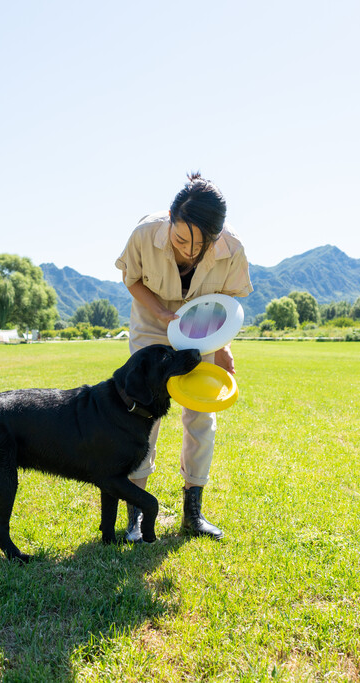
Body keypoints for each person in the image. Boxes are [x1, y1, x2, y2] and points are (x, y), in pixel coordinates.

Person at [115, 172, 253, 541]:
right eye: (179, 239)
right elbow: (132, 278)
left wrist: (222, 346)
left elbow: (227, 301)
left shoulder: (233, 249)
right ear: (171, 220)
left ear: (217, 236)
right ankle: (138, 515)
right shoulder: (145, 233)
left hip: (200, 333)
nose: (188, 252)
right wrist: (161, 313)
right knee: (144, 414)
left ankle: (193, 512)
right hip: (152, 324)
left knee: (200, 416)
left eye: (200, 246)